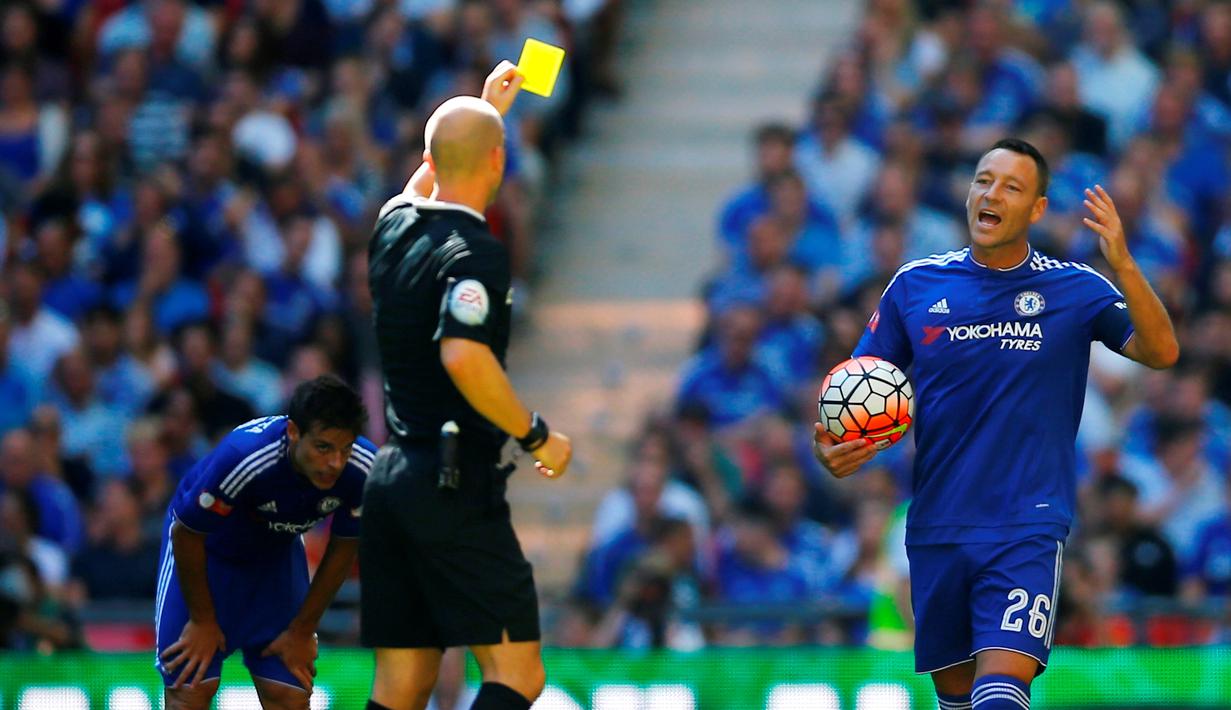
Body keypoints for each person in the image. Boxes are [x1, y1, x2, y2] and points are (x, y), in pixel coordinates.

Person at [813, 138, 1179, 710]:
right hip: (937, 525)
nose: (992, 193)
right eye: (984, 180)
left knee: (1002, 693)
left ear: (1036, 209)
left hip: (1024, 525)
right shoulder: (915, 285)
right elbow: (857, 390)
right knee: (958, 702)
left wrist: (1125, 265)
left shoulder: (1075, 288)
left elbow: (1160, 351)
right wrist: (832, 446)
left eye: (1012, 186)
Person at [360, 61, 572, 710]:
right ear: (498, 162)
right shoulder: (475, 252)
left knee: (403, 685)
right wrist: (534, 434)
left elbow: (424, 180)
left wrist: (484, 112)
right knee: (517, 673)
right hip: (452, 483)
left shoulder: (391, 228)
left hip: (391, 480)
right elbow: (463, 356)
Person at [154, 375, 375, 710]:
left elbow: (344, 547)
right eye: (323, 447)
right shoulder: (245, 456)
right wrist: (202, 621)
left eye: (345, 449)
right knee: (189, 690)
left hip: (276, 562)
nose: (336, 463)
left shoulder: (363, 468)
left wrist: (303, 630)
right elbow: (187, 534)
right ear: (293, 433)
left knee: (290, 695)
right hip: (208, 558)